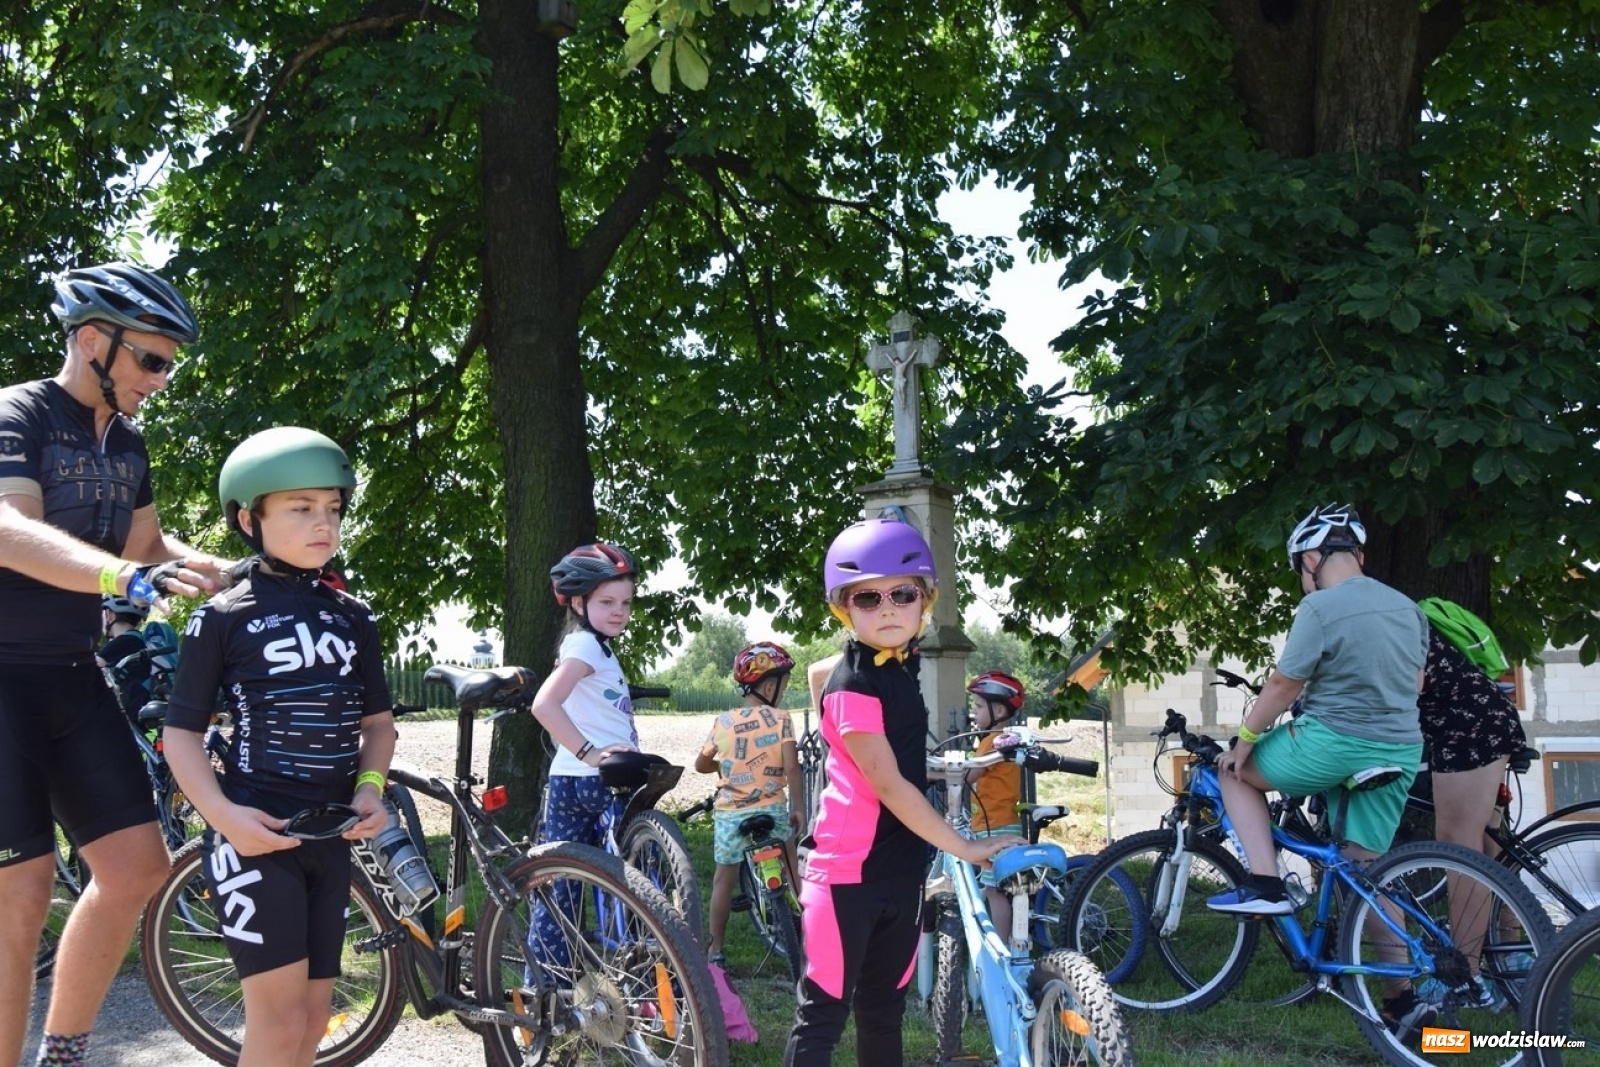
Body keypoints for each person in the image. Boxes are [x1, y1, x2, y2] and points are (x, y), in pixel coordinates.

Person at [0, 261, 235, 1067]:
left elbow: (148, 548)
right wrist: (122, 577)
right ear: (94, 340)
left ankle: (60, 1054)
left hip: (69, 670)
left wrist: (246, 572)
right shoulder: (19, 414)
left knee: (138, 868)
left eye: (170, 364)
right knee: (21, 895)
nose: (161, 380)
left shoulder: (127, 443)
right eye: (153, 360)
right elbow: (8, 527)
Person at [162, 426, 394, 1067]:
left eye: (334, 508)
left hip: (330, 838)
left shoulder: (354, 617)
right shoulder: (223, 615)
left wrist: (370, 792)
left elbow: (377, 724)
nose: (324, 522)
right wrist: (225, 819)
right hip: (252, 836)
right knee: (278, 1019)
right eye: (301, 507)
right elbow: (179, 733)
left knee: (314, 1021)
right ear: (247, 518)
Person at [783, 518, 1021, 1067]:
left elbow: (822, 670)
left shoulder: (899, 662)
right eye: (868, 597)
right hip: (847, 877)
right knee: (822, 1016)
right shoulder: (854, 686)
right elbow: (889, 785)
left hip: (901, 868)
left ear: (925, 601)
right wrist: (966, 848)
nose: (887, 608)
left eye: (902, 593)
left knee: (883, 1014)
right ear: (845, 608)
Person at [1209, 503, 1431, 1038]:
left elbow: (1285, 685)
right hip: (1399, 749)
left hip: (1334, 743)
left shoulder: (1321, 608)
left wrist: (1245, 740)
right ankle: (1404, 1000)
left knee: (1235, 775)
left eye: (1299, 570)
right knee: (1366, 871)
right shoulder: (1409, 608)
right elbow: (1417, 685)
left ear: (1311, 557)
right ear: (1357, 554)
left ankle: (1266, 883)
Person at [525, 543, 642, 957]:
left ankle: (549, 986)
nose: (619, 611)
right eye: (607, 601)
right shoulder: (586, 647)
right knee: (624, 883)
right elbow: (544, 704)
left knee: (562, 888)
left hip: (570, 782)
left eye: (626, 602)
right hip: (595, 778)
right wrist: (590, 752)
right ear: (577, 602)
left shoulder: (596, 647)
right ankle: (636, 970)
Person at [1414, 623, 1529, 1008]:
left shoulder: (1389, 624)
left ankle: (1464, 976)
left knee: (1459, 853)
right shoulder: (1406, 616)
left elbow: (1411, 684)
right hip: (1486, 720)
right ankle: (1509, 954)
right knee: (1484, 848)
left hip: (1468, 732)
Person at [694, 641, 804, 967]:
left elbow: (701, 765)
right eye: (783, 686)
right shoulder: (781, 718)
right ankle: (811, 938)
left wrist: (723, 767)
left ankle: (715, 950)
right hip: (772, 809)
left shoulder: (724, 722)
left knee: (722, 881)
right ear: (769, 685)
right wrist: (798, 806)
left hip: (731, 814)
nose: (783, 692)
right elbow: (792, 767)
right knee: (794, 874)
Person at [965, 670, 1028, 937]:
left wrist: (943, 774)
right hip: (1007, 821)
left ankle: (1001, 947)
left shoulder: (992, 741)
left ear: (999, 709)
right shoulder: (1008, 740)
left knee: (995, 891)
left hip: (994, 827)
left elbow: (970, 775)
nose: (975, 713)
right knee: (1000, 886)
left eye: (979, 707)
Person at [96, 595, 154, 728]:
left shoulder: (122, 642)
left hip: (135, 708)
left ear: (110, 614)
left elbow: (88, 668)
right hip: (145, 703)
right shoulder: (138, 640)